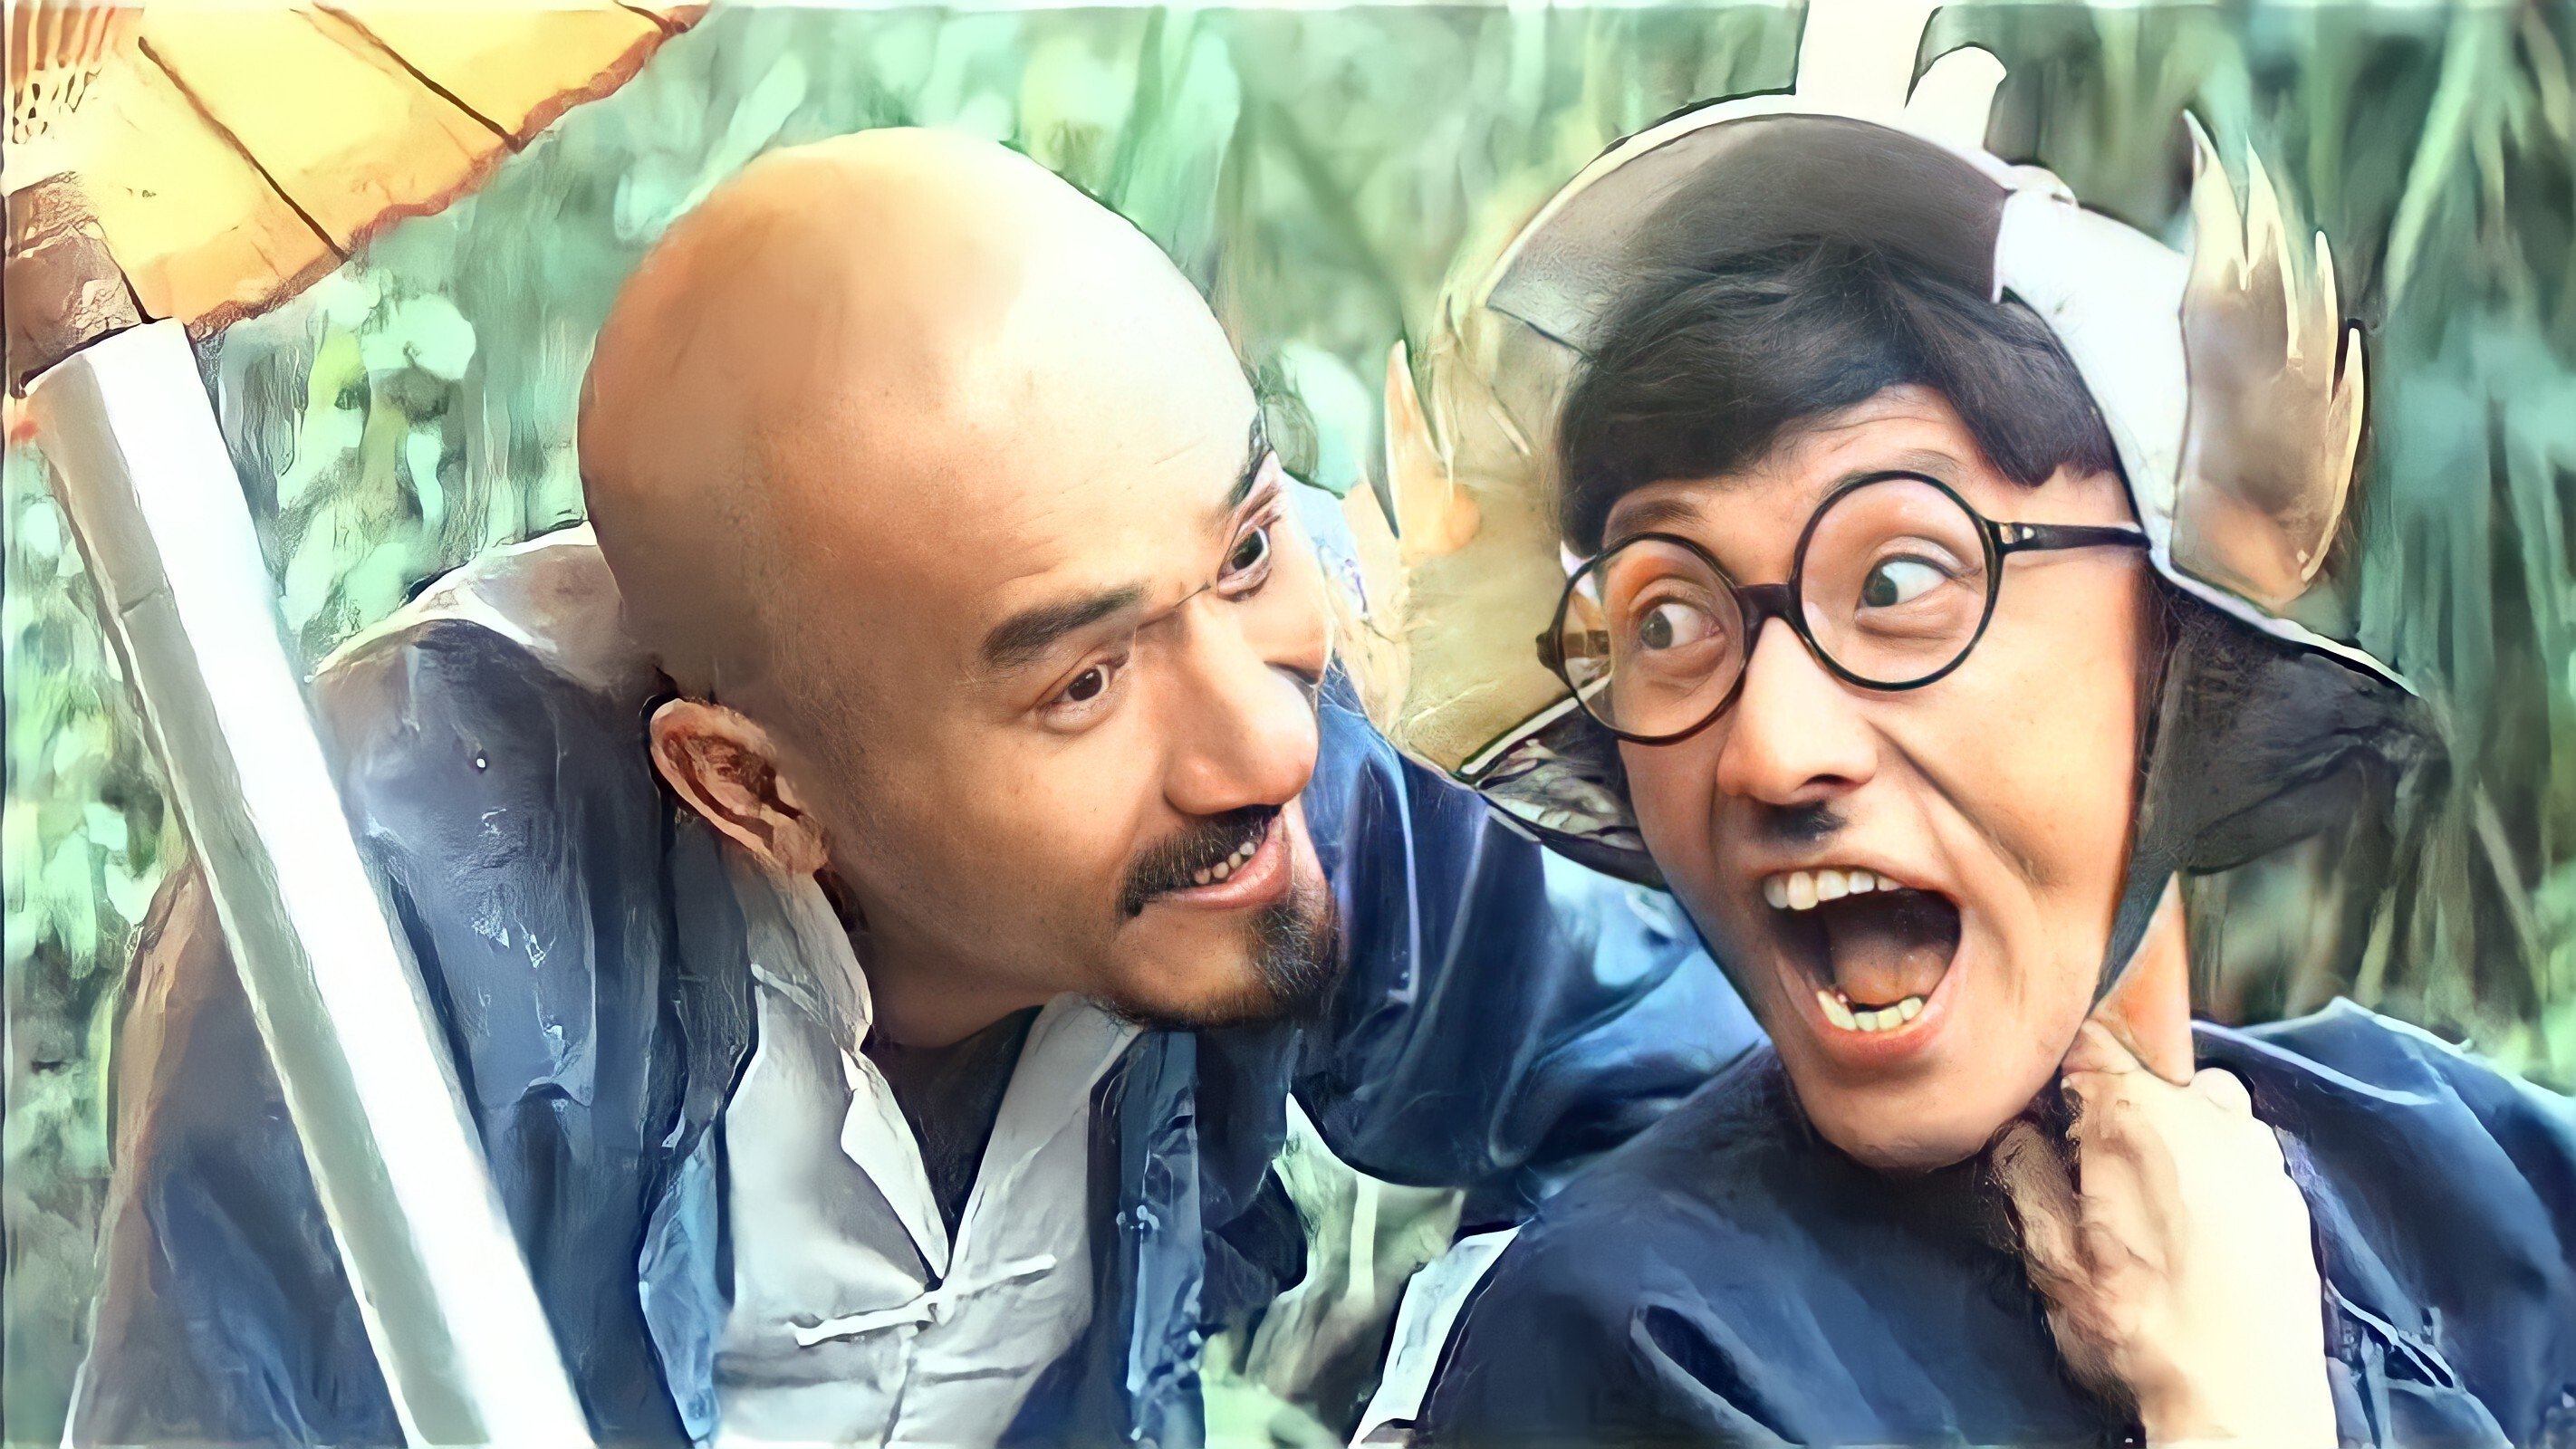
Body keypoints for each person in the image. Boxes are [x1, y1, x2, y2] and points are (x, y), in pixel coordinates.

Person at [68, 130, 1757, 1448]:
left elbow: (1683, 1104)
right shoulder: (385, 934)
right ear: (753, 789)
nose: (1268, 750)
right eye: (1083, 684)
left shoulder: (1296, 685)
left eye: (1249, 547)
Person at [1399, 103, 2576, 1447]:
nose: (1772, 751)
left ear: (2171, 647)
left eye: (1900, 581)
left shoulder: (2476, 1176)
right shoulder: (1633, 1351)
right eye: (1665, 622)